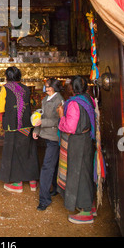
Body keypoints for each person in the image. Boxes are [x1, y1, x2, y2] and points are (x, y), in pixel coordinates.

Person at [57, 75, 96, 224]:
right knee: (85, 171)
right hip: (86, 139)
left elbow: (70, 127)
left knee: (76, 173)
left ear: (72, 88)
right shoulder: (88, 99)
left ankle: (85, 211)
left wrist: (61, 115)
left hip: (77, 141)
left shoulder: (74, 103)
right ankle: (90, 205)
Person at [0, 66, 39, 193]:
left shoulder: (5, 88)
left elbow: (1, 107)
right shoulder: (26, 88)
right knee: (28, 150)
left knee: (13, 152)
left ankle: (17, 183)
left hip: (13, 126)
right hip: (27, 124)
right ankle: (32, 182)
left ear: (7, 77)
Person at [33, 78, 64, 210]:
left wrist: (42, 124)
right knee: (54, 163)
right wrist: (36, 129)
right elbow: (42, 116)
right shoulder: (45, 100)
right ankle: (55, 187)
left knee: (47, 167)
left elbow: (59, 121)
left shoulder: (59, 101)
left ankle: (44, 199)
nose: (45, 88)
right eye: (45, 86)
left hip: (55, 137)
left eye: (47, 86)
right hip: (46, 135)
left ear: (53, 87)